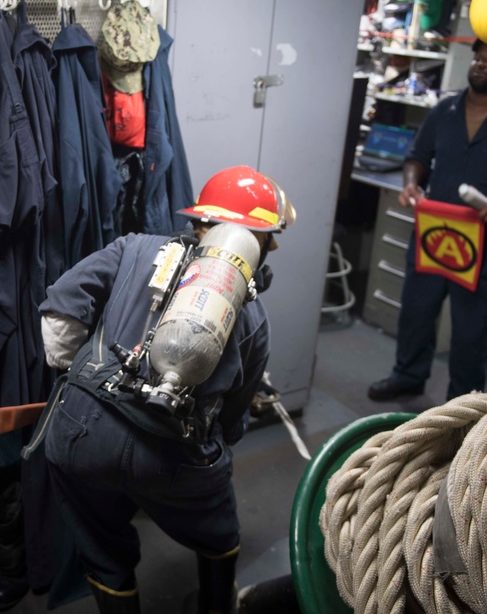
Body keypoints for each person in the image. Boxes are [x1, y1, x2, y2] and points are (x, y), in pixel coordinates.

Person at [31, 165, 294, 614]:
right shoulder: (252, 319)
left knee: (101, 544)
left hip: (79, 432)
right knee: (218, 530)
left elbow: (60, 313)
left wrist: (86, 380)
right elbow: (230, 422)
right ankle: (216, 605)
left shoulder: (132, 247)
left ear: (199, 221)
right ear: (259, 242)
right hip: (174, 456)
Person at [368, 39, 487, 402]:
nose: (482, 64)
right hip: (434, 232)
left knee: (473, 330)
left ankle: (463, 401)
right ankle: (408, 376)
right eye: (478, 57)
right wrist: (411, 185)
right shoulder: (445, 111)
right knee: (416, 314)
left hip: (483, 243)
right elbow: (417, 157)